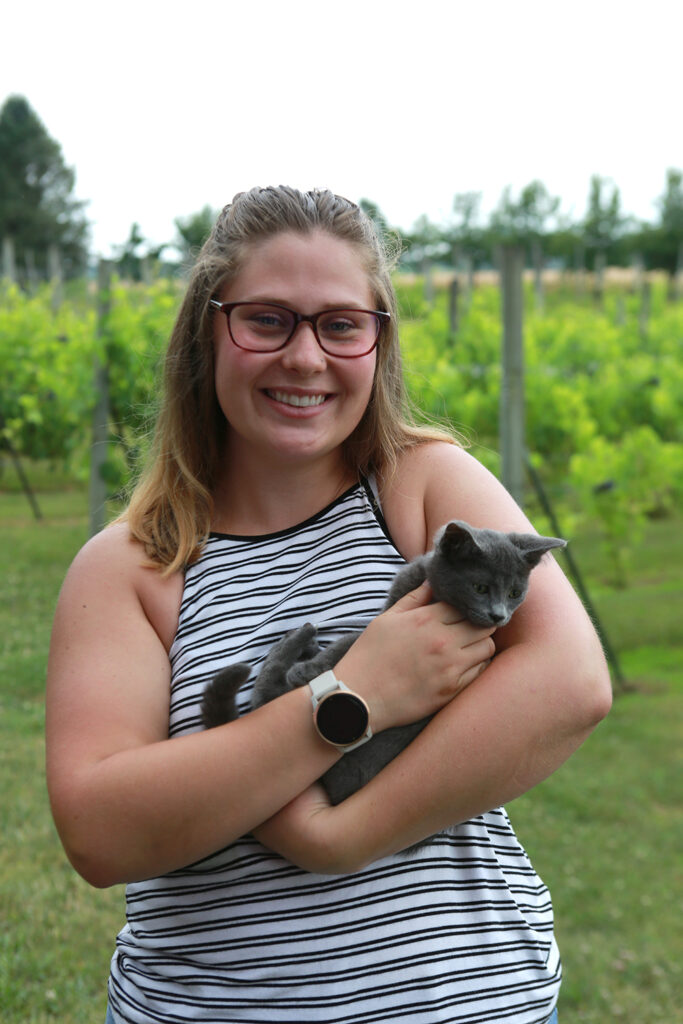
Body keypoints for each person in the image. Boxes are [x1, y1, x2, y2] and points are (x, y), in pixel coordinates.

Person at [46, 186, 611, 1024]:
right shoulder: (132, 565)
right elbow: (101, 830)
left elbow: (570, 684)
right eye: (267, 320)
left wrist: (336, 836)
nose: (305, 358)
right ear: (208, 331)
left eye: (341, 325)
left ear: (378, 342)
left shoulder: (423, 485)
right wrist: (352, 694)